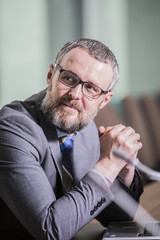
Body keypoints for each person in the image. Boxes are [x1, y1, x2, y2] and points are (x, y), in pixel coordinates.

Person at [0, 38, 143, 240]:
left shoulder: (84, 125)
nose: (75, 95)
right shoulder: (13, 128)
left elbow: (116, 220)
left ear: (104, 100)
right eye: (68, 78)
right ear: (51, 75)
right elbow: (50, 231)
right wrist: (107, 165)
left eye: (91, 88)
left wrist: (123, 169)